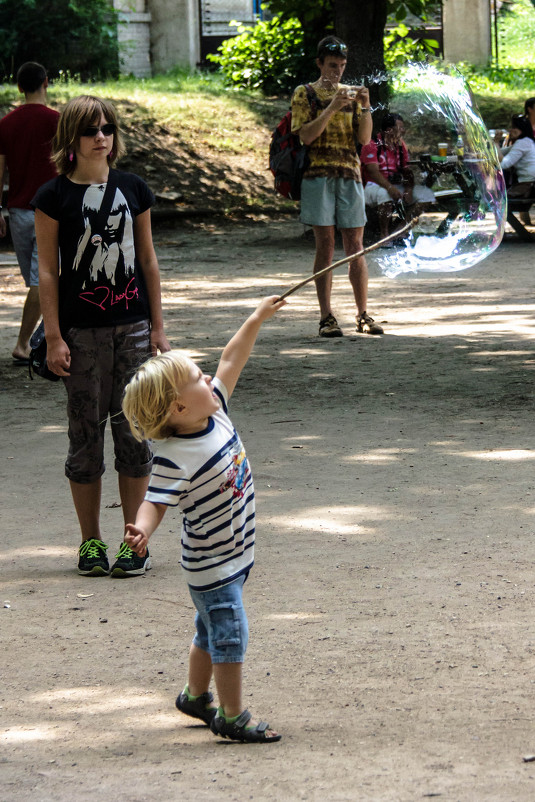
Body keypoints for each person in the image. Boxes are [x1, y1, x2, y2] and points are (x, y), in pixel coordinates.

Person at [121, 296, 285, 743]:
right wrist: (143, 529)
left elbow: (231, 358)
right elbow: (154, 502)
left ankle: (195, 696)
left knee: (207, 629)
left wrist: (255, 318)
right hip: (212, 567)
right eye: (197, 377)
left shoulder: (213, 406)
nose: (209, 378)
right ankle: (231, 715)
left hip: (235, 553)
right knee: (230, 634)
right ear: (177, 409)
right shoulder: (175, 458)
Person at [32, 95, 171, 577]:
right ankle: (90, 543)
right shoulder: (52, 197)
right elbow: (47, 271)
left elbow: (148, 260)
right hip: (79, 333)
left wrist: (157, 326)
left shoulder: (134, 189)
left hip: (132, 328)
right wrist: (52, 336)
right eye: (91, 129)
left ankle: (135, 541)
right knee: (85, 438)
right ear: (72, 137)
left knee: (134, 434)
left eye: (107, 128)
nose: (101, 136)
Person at [291, 35, 383, 338]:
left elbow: (365, 139)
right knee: (326, 246)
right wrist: (331, 107)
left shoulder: (352, 95)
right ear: (320, 63)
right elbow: (306, 136)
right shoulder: (305, 94)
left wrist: (366, 107)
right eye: (332, 65)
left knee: (356, 247)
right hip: (318, 176)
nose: (338, 72)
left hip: (350, 175)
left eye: (342, 66)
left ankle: (362, 314)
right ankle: (326, 316)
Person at [0, 62, 59, 363]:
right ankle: (25, 343)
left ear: (19, 87)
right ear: (46, 83)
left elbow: (0, 170)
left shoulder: (6, 123)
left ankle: (47, 339)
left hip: (18, 213)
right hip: (51, 211)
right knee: (42, 280)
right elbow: (71, 162)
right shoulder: (57, 121)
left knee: (39, 278)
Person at [361, 113, 436, 241]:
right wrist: (390, 188)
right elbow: (373, 172)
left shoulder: (400, 146)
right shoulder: (371, 144)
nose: (403, 131)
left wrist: (409, 188)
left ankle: (399, 231)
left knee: (426, 195)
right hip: (371, 186)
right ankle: (384, 236)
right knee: (385, 195)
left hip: (394, 186)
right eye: (400, 128)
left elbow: (406, 170)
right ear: (389, 130)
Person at [497, 114, 535, 226]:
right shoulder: (528, 141)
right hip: (530, 185)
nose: (510, 130)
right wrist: (495, 143)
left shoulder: (522, 143)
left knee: (496, 199)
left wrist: (495, 142)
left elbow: (504, 164)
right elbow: (501, 152)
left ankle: (502, 232)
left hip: (527, 186)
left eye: (513, 127)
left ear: (520, 129)